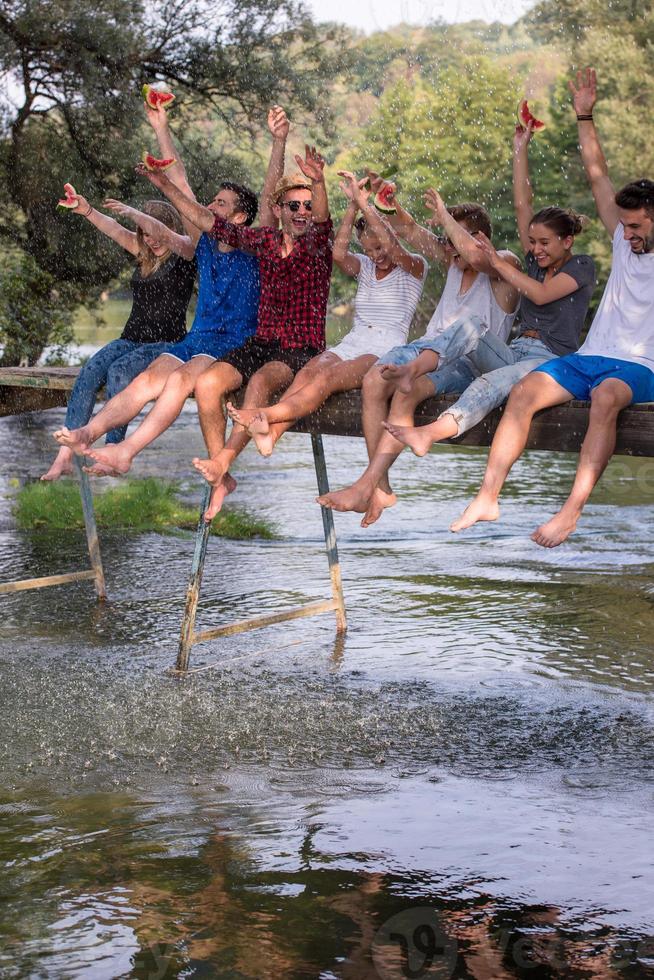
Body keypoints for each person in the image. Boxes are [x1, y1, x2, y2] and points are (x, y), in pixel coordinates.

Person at [449, 68, 654, 547]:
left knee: (605, 398)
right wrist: (584, 115)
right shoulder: (623, 244)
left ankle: (570, 512)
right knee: (523, 391)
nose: (627, 233)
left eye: (638, 226)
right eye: (623, 225)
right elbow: (597, 175)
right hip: (588, 356)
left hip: (641, 366)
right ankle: (487, 496)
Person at [52, 103, 291, 477]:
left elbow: (269, 197)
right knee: (147, 380)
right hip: (196, 339)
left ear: (240, 217)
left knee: (178, 381)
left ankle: (126, 450)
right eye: (212, 201)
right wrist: (161, 125)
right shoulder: (203, 243)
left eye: (221, 203)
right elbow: (179, 181)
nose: (210, 206)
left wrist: (279, 141)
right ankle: (88, 432)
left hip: (233, 344)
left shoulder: (254, 244)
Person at [316, 176, 522, 524]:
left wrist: (444, 215)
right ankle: (379, 487)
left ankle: (366, 485)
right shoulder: (454, 261)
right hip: (427, 350)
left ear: (480, 239)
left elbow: (472, 252)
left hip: (470, 360)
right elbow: (407, 231)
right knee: (374, 381)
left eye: (456, 242)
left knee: (406, 395)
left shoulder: (504, 262)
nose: (451, 253)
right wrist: (379, 203)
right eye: (448, 244)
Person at [172, 144, 334, 521]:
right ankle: (220, 476)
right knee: (207, 385)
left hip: (299, 348)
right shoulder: (265, 241)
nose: (302, 212)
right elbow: (211, 222)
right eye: (293, 206)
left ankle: (225, 458)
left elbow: (324, 219)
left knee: (260, 381)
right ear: (278, 211)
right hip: (261, 341)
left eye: (307, 205)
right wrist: (165, 183)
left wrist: (319, 181)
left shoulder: (316, 245)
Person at [225, 170, 427, 461]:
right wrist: (353, 207)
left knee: (327, 379)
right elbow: (339, 253)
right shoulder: (367, 267)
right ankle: (272, 434)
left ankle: (264, 415)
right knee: (309, 372)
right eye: (369, 250)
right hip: (355, 340)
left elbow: (393, 248)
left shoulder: (414, 267)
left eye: (379, 247)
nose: (376, 255)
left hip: (385, 348)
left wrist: (367, 205)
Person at [41, 194, 195, 481]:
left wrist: (135, 212)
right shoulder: (144, 254)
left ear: (170, 229)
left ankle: (113, 449)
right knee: (89, 373)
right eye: (145, 235)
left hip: (166, 345)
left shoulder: (185, 258)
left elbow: (173, 237)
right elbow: (114, 228)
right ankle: (65, 455)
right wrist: (87, 210)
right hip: (131, 338)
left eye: (156, 233)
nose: (151, 240)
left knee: (119, 372)